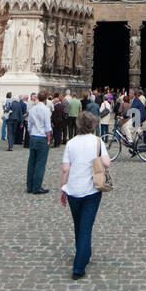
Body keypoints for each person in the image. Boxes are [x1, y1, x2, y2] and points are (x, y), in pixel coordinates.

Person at [59, 111, 111, 280]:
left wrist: (62, 189)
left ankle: (84, 253)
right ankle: (79, 267)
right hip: (92, 191)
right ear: (93, 125)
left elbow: (65, 169)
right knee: (86, 227)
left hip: (73, 190)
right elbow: (106, 163)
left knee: (79, 225)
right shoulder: (98, 141)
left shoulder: (70, 143)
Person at [27, 92, 53, 194]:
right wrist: (49, 140)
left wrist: (31, 135)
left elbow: (29, 125)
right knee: (40, 163)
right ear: (46, 98)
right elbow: (47, 127)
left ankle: (29, 186)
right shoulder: (46, 110)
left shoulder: (32, 109)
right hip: (42, 138)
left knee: (31, 162)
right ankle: (37, 187)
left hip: (33, 136)